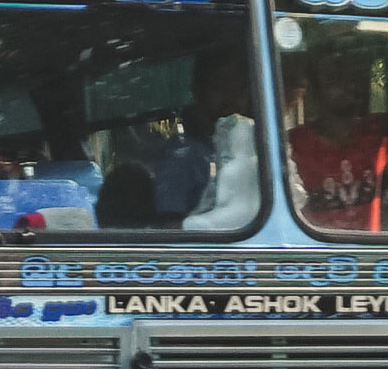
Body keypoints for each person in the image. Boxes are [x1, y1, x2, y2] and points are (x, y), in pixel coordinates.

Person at [97, 42, 268, 233]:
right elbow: (169, 228)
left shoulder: (245, 150)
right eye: (220, 87)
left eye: (240, 89)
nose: (232, 98)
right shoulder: (184, 157)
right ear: (197, 92)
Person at [282, 35, 388, 233]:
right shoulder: (292, 145)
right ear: (314, 90)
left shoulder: (378, 131)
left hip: (371, 258)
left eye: (352, 76)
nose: (347, 85)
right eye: (333, 78)